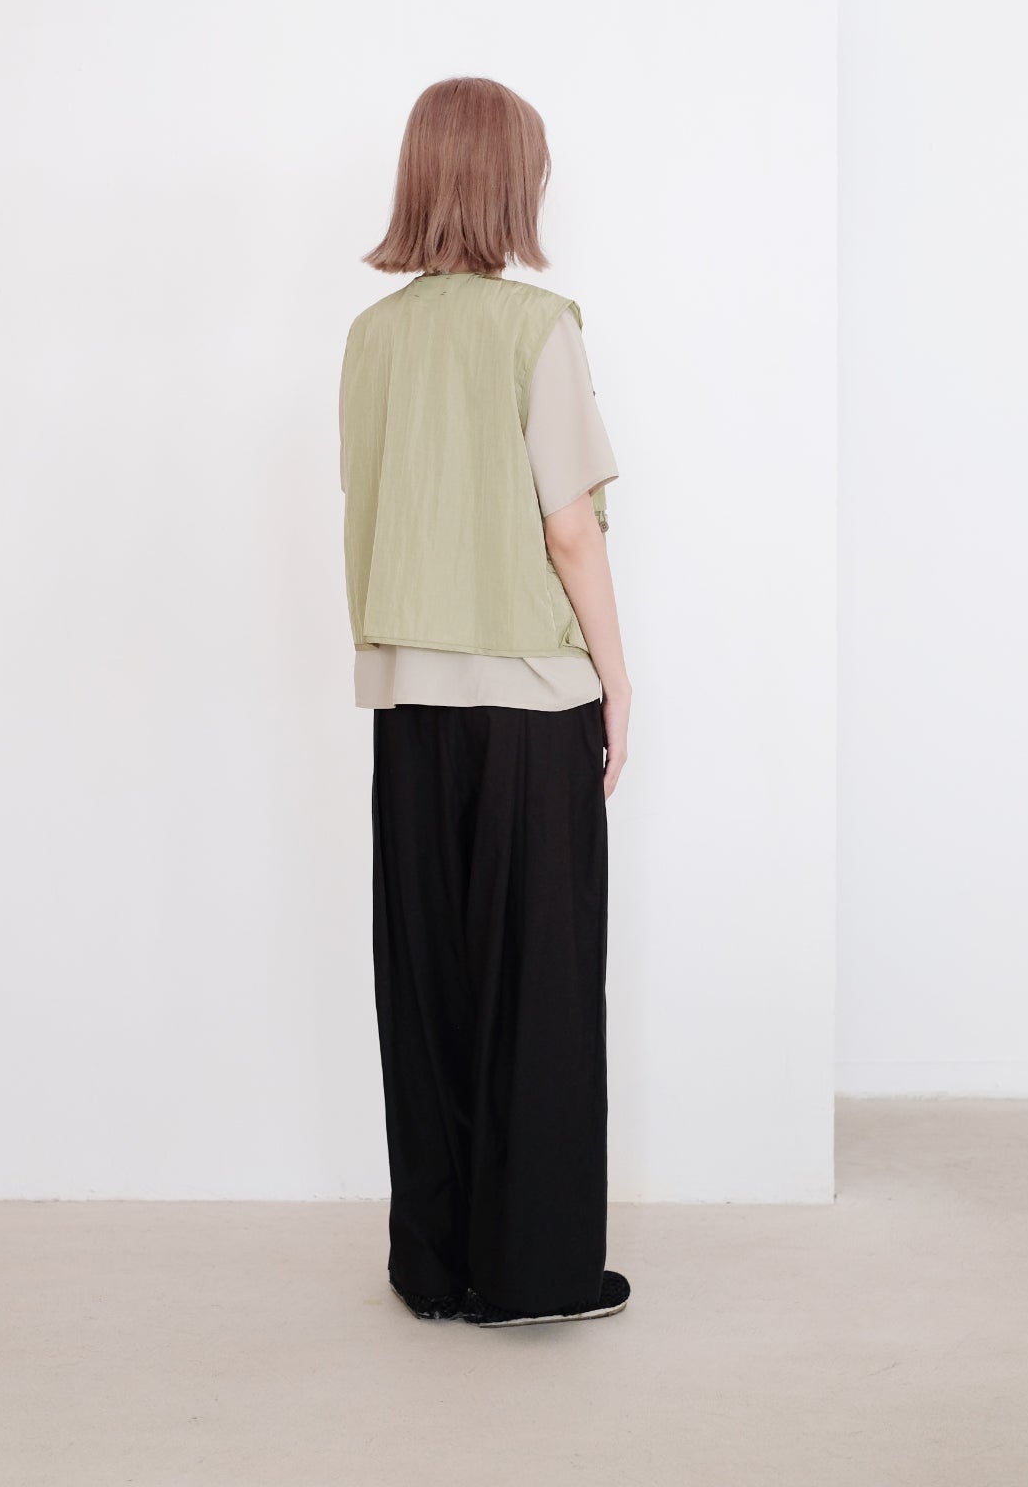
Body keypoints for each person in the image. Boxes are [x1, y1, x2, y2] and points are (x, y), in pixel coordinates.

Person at [338, 76, 632, 1328]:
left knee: (427, 987)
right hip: (527, 701)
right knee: (539, 989)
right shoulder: (536, 329)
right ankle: (533, 1269)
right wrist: (617, 679)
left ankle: (433, 1263)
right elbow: (569, 530)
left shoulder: (371, 338)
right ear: (508, 182)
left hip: (408, 709)